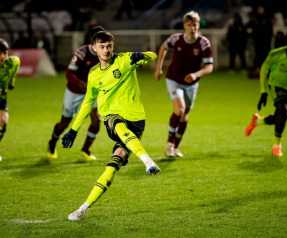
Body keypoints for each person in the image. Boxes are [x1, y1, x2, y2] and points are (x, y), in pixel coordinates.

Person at [61, 31, 160, 221]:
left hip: (137, 119)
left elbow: (153, 55)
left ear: (113, 46)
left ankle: (84, 207)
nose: (106, 50)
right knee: (115, 121)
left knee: (111, 167)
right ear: (94, 48)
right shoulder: (94, 74)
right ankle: (148, 162)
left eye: (109, 46)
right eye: (102, 47)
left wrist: (145, 55)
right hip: (111, 118)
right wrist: (74, 130)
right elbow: (87, 103)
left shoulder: (125, 60)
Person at [154, 11, 214, 157]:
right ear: (184, 26)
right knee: (179, 109)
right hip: (173, 79)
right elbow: (163, 47)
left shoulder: (203, 42)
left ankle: (175, 147)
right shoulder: (176, 39)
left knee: (185, 115)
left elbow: (209, 66)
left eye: (195, 24)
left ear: (198, 25)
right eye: (189, 25)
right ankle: (169, 145)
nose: (192, 28)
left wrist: (196, 74)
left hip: (192, 84)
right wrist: (159, 68)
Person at [47, 25, 104, 161]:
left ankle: (85, 149)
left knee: (96, 122)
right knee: (65, 122)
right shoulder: (82, 53)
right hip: (74, 92)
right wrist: (81, 84)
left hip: (91, 94)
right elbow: (69, 73)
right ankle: (52, 143)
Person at [244, 30, 287, 157]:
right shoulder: (276, 54)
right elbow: (264, 69)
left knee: (280, 116)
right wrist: (263, 91)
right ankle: (277, 145)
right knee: (284, 112)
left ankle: (257, 122)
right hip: (276, 86)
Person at [0, 39, 21, 161]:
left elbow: (13, 72)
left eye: (5, 52)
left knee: (3, 122)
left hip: (2, 97)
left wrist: (12, 82)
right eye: (1, 53)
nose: (4, 56)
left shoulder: (13, 62)